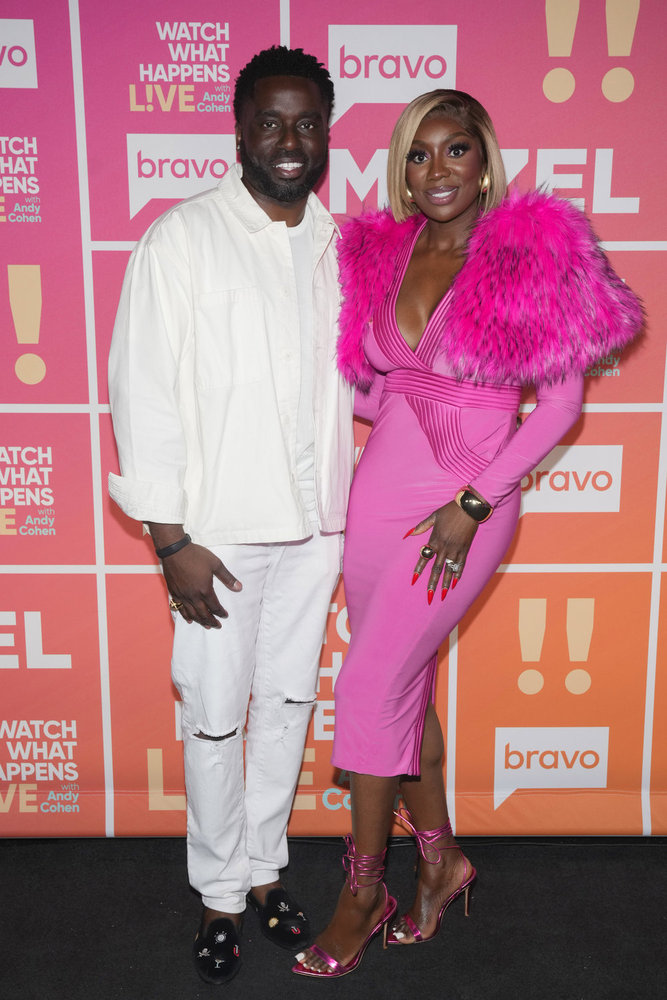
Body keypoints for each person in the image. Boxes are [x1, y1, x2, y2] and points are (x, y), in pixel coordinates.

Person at [293, 89, 642, 978]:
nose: (436, 170)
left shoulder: (530, 252)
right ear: (401, 171)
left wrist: (475, 502)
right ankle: (440, 859)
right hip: (378, 497)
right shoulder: (386, 252)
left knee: (367, 684)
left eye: (454, 150)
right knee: (401, 689)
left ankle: (363, 890)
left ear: (484, 161)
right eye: (417, 154)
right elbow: (382, 388)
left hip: (464, 504)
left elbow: (557, 406)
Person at [108, 46, 354, 986]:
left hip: (317, 528)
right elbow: (142, 392)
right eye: (270, 121)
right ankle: (218, 894)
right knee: (214, 718)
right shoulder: (181, 238)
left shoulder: (339, 245)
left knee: (286, 708)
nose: (289, 140)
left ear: (325, 133)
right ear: (239, 129)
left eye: (307, 123)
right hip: (216, 535)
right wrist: (169, 538)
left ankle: (261, 872)